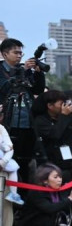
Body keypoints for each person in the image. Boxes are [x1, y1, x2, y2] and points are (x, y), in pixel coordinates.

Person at [0, 38, 46, 184]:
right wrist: (23, 70)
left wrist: (38, 73)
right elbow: (5, 88)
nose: (20, 56)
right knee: (8, 161)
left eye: (21, 53)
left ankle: (23, 197)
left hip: (27, 123)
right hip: (6, 123)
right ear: (4, 54)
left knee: (26, 163)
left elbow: (37, 89)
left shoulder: (23, 69)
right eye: (16, 52)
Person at [0, 120, 24, 205]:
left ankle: (13, 193)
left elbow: (7, 146)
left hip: (2, 160)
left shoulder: (1, 129)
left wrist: (7, 148)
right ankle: (14, 193)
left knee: (14, 168)